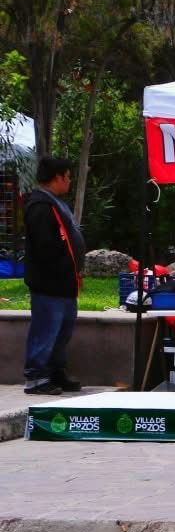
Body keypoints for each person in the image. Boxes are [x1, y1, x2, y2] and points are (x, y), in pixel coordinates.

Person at [23, 157, 86, 395]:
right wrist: (63, 265)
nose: (69, 181)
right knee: (46, 330)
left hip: (65, 284)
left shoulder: (54, 203)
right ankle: (36, 377)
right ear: (58, 177)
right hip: (50, 285)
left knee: (62, 330)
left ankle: (55, 370)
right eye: (68, 176)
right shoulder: (40, 206)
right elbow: (45, 247)